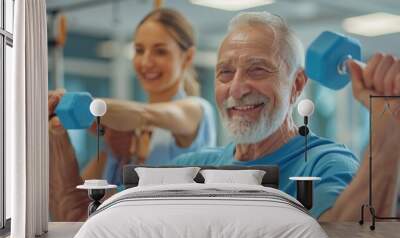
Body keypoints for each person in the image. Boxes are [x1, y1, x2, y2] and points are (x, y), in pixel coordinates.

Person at [173, 12, 400, 221]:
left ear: (297, 84)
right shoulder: (193, 166)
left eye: (258, 69)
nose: (236, 89)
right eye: (225, 73)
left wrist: (386, 142)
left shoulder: (326, 164)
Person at [49, 8, 216, 221]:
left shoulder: (196, 109)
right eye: (139, 50)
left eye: (160, 51)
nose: (146, 62)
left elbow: (144, 113)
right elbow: (73, 207)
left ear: (188, 56)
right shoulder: (124, 126)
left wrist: (83, 107)